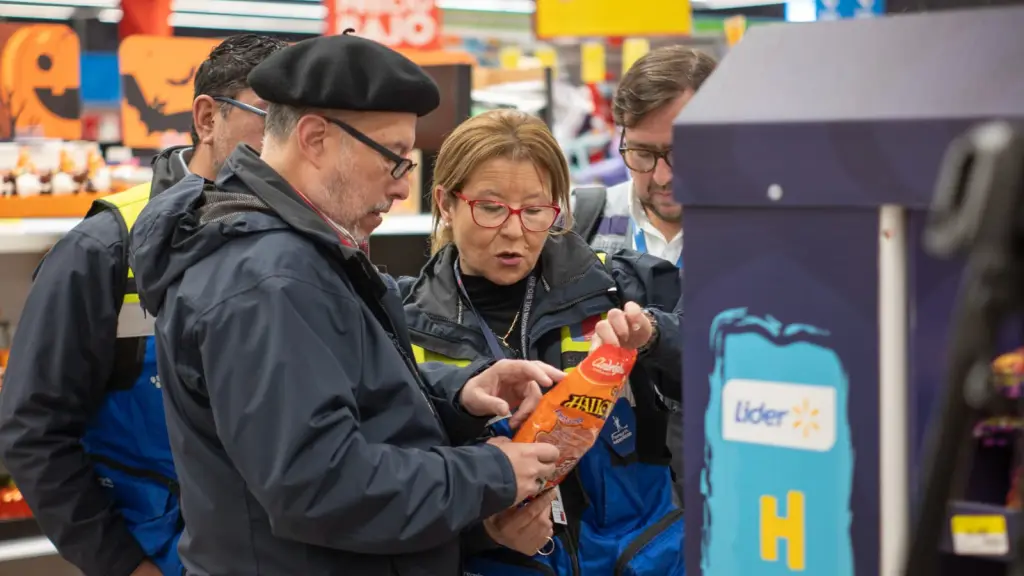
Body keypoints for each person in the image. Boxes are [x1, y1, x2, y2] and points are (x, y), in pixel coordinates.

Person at [127, 32, 588, 575]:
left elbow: (349, 397)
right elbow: (317, 484)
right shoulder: (270, 281)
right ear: (316, 138)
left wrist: (456, 395)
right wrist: (490, 472)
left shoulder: (306, 254)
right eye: (394, 159)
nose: (401, 188)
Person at [0, 33, 287, 576]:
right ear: (207, 117)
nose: (290, 142)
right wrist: (123, 565)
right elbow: (34, 431)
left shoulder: (298, 240)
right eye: (270, 119)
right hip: (160, 551)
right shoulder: (106, 247)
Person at [399, 109, 685, 575]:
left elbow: (728, 366)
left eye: (534, 210)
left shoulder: (619, 285)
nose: (514, 231)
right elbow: (392, 489)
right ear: (445, 203)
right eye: (490, 208)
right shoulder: (406, 326)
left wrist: (654, 335)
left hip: (647, 557)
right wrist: (483, 533)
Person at [572, 45, 717, 505]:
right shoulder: (582, 222)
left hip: (723, 481)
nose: (661, 176)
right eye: (642, 154)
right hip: (616, 502)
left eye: (682, 151)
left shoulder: (758, 233)